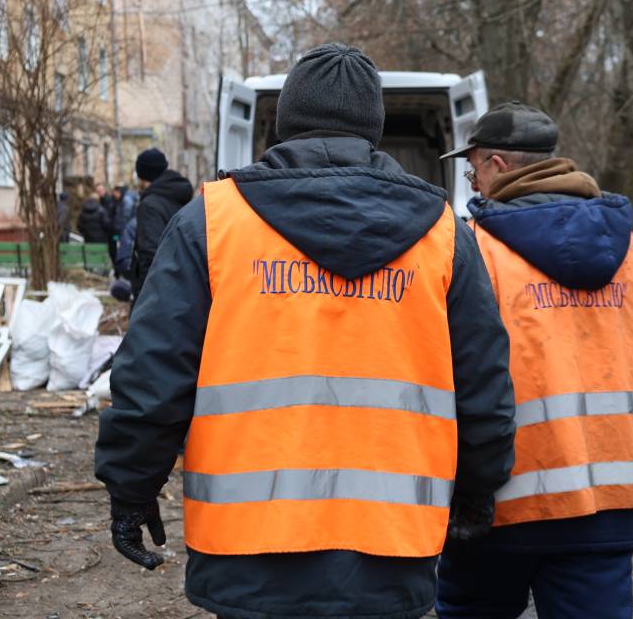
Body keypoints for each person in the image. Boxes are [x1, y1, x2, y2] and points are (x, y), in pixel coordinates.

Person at [94, 43, 516, 619]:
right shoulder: (444, 236)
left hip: (249, 546)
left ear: (281, 124)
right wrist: (476, 485)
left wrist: (131, 486)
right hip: (391, 543)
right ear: (375, 129)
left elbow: (152, 373)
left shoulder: (212, 222)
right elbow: (483, 382)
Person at [435, 102, 633, 619]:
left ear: (497, 165)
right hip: (605, 507)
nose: (472, 183)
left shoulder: (476, 251)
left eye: (472, 170)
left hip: (500, 505)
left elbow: (457, 378)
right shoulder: (629, 249)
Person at [128, 149, 192, 297]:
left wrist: (144, 298)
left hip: (156, 292)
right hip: (182, 283)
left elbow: (150, 256)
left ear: (143, 175)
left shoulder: (150, 205)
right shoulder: (181, 195)